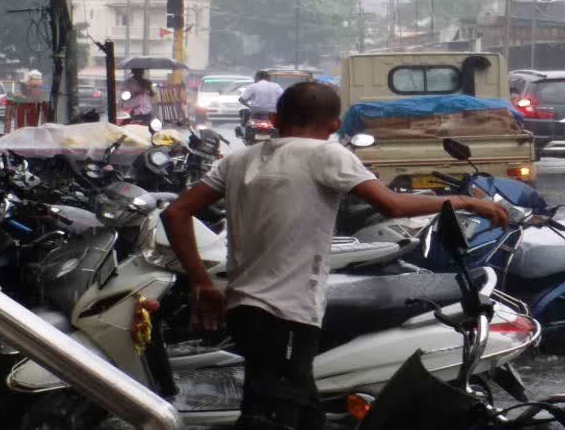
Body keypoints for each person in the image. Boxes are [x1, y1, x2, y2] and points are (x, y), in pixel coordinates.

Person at [161, 81, 507, 429]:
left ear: (278, 118)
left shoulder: (238, 159)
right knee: (272, 411)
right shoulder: (328, 155)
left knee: (302, 406)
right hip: (286, 310)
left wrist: (202, 283)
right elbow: (391, 204)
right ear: (335, 125)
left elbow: (175, 213)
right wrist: (464, 201)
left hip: (243, 307)